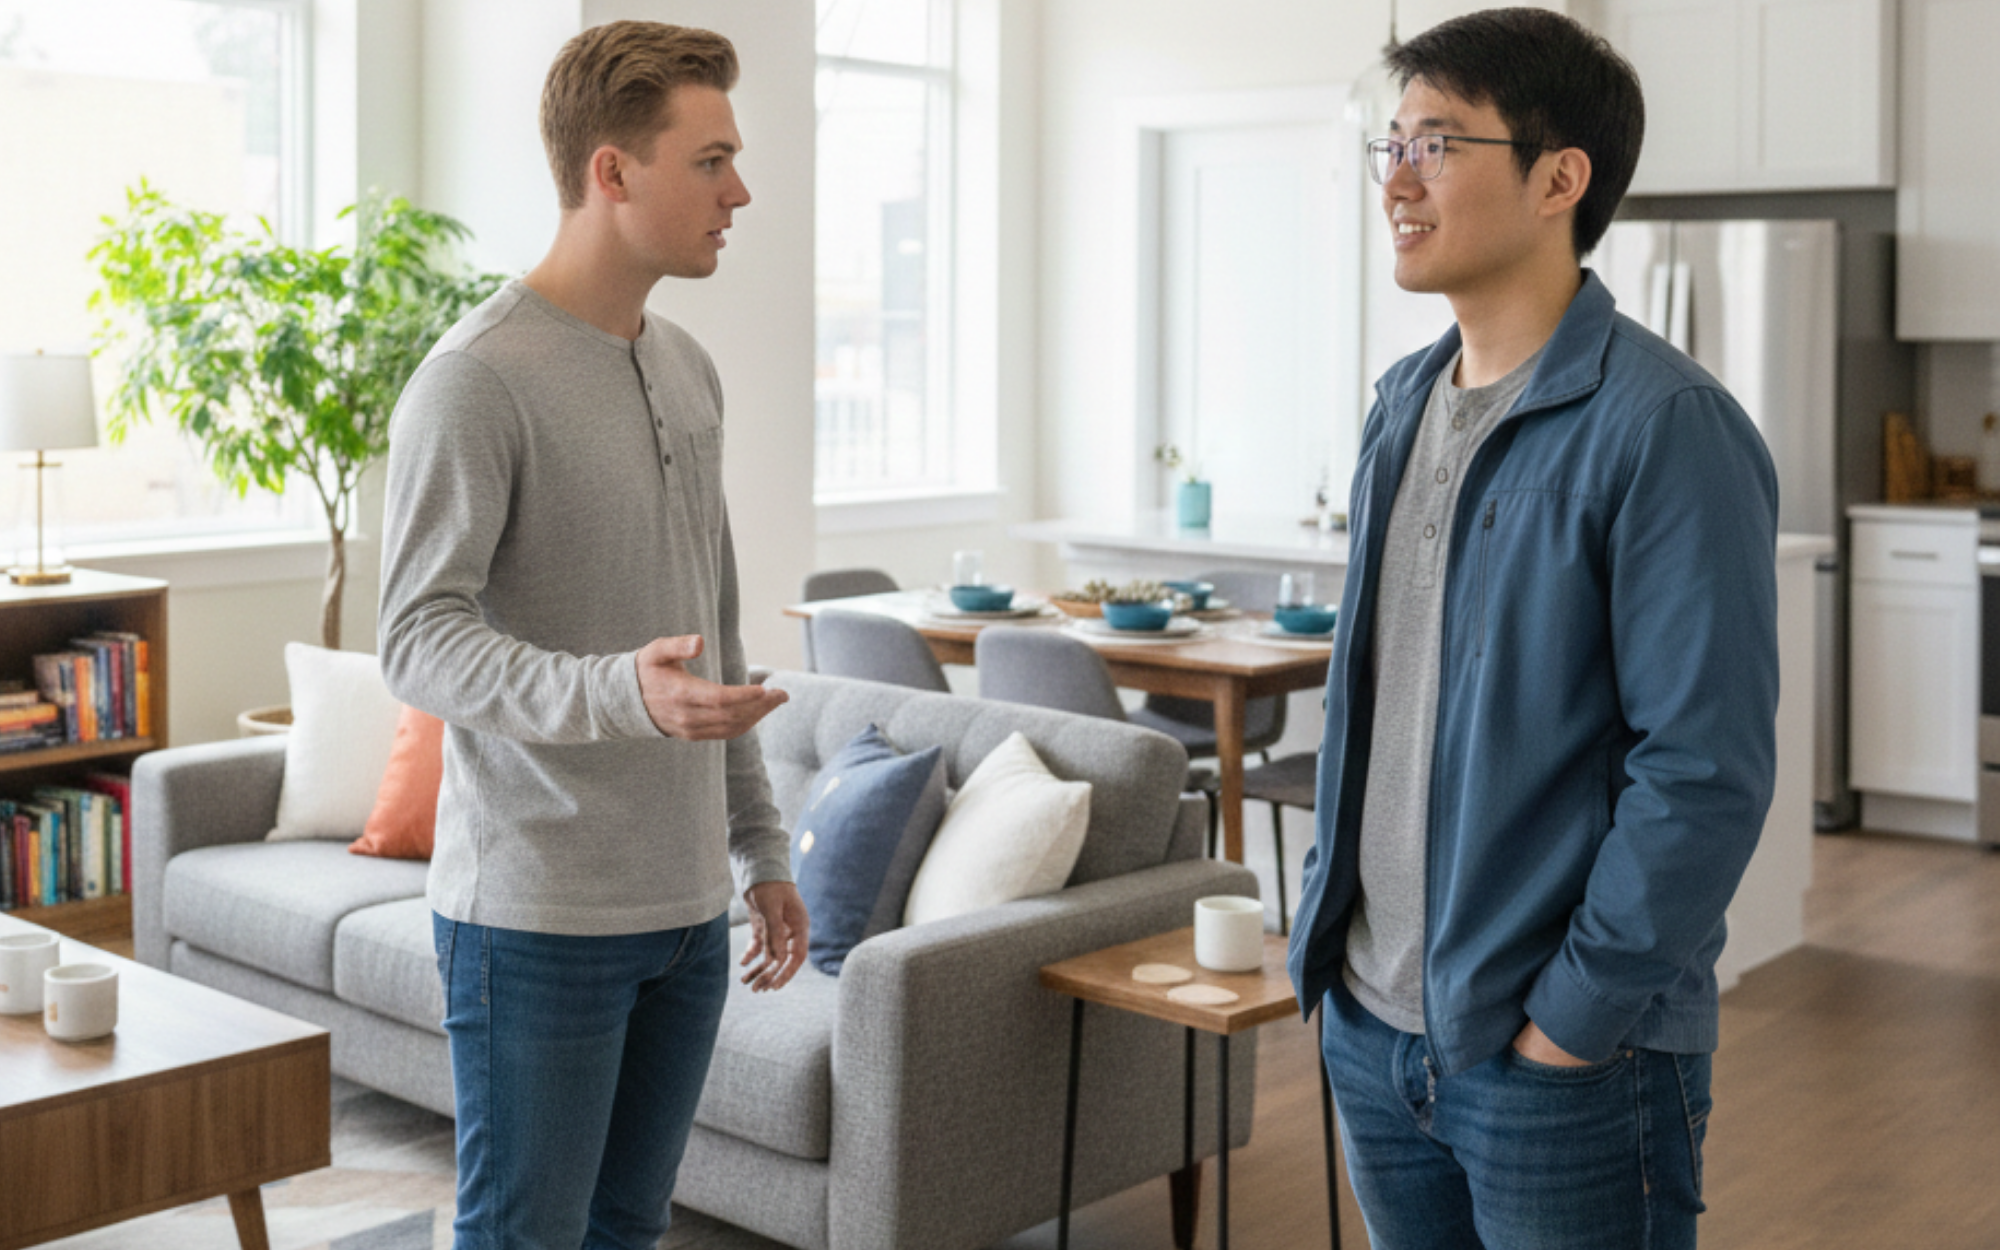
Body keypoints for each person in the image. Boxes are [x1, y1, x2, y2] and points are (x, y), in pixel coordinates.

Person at [1286, 9, 1778, 1248]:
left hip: (1557, 1060)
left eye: (1437, 143)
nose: (1395, 177)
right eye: (1388, 143)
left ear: (1560, 177)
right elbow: (1377, 703)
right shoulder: (1401, 401)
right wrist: (1330, 949)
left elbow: (1703, 767)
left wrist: (1572, 1017)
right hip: (1372, 1023)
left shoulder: (1665, 425)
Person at [377, 21, 807, 1250]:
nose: (740, 191)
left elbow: (710, 625)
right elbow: (414, 638)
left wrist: (759, 844)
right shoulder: (476, 379)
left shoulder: (687, 367)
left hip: (684, 915)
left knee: (627, 1229)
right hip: (535, 915)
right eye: (711, 159)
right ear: (612, 171)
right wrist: (619, 691)